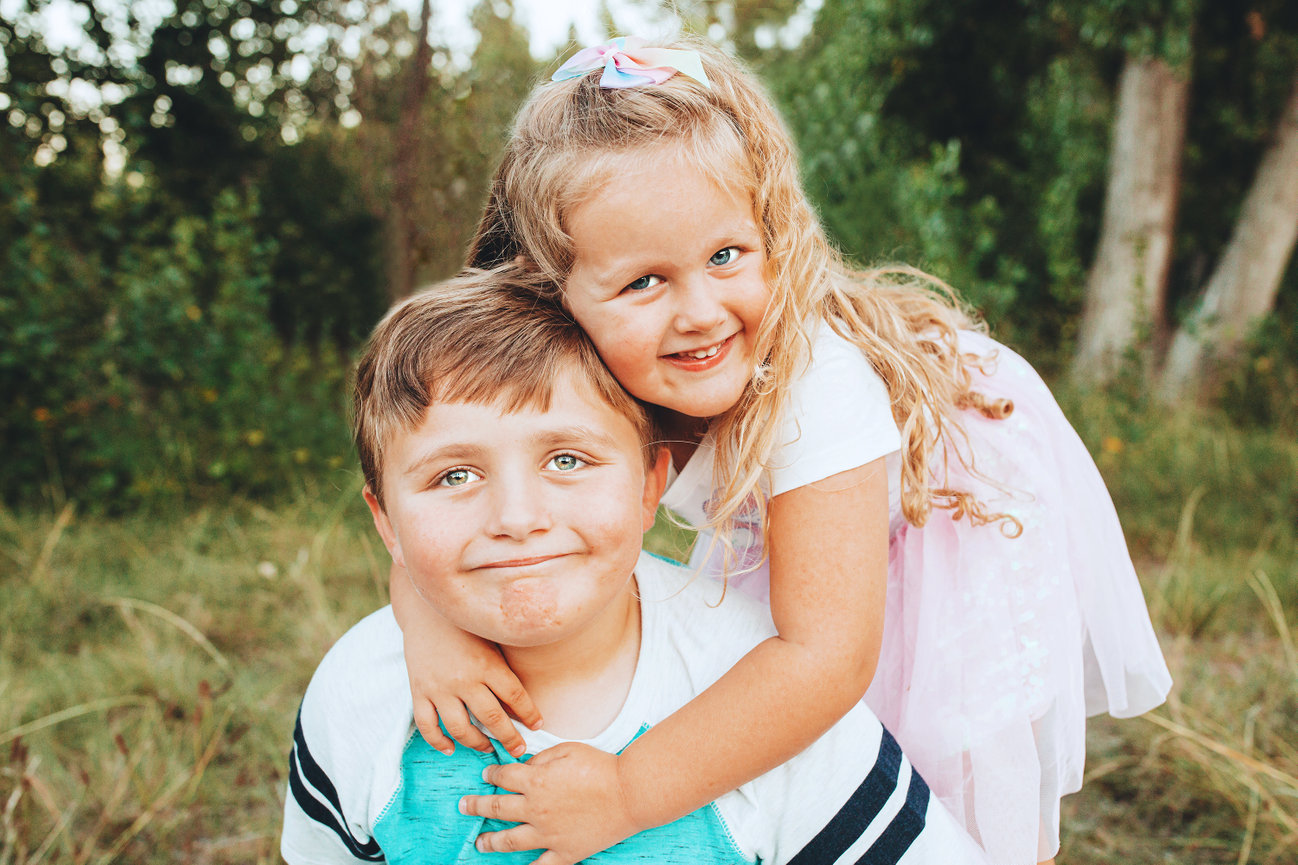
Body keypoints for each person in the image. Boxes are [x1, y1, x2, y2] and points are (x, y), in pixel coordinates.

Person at [391, 36, 1174, 865]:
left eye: (726, 255)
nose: (699, 311)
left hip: (947, 503)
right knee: (788, 750)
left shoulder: (816, 383)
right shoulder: (565, 358)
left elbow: (824, 656)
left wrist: (627, 791)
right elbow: (441, 490)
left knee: (946, 778)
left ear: (773, 232)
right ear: (549, 288)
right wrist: (425, 617)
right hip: (800, 526)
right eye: (644, 282)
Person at [281, 267, 990, 864]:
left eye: (567, 460)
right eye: (454, 477)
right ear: (386, 523)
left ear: (652, 484)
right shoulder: (360, 694)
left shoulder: (757, 697)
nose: (516, 517)